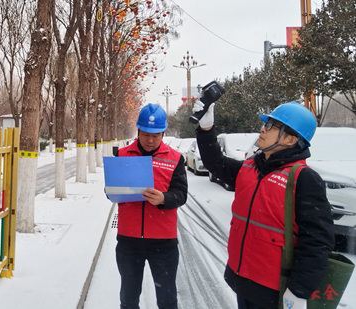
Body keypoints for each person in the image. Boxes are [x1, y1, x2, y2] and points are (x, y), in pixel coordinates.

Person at [192, 100, 334, 309]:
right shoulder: (250, 168)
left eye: (272, 126)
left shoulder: (303, 178)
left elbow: (317, 242)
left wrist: (299, 290)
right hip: (243, 280)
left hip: (274, 291)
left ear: (291, 139)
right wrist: (206, 130)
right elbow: (216, 163)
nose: (263, 129)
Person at [114, 103, 188, 309]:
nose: (150, 139)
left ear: (163, 133)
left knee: (167, 300)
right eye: (145, 134)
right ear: (138, 130)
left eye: (156, 135)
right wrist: (112, 191)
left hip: (163, 243)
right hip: (129, 242)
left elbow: (181, 194)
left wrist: (164, 199)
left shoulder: (175, 159)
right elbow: (112, 188)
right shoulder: (122, 155)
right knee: (128, 299)